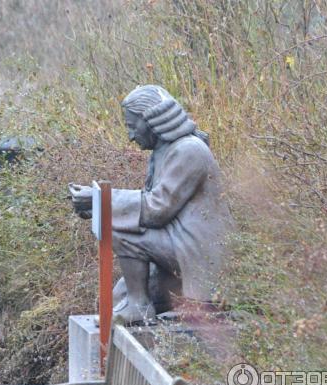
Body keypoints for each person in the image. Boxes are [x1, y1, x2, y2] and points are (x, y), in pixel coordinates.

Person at [71, 85, 231, 323]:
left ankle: (139, 306)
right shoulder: (165, 151)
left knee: (115, 227)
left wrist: (101, 200)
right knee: (119, 296)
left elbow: (157, 209)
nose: (131, 136)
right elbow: (149, 204)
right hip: (177, 244)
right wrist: (96, 204)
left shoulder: (189, 151)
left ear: (152, 121)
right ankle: (140, 302)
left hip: (197, 253)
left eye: (132, 126)